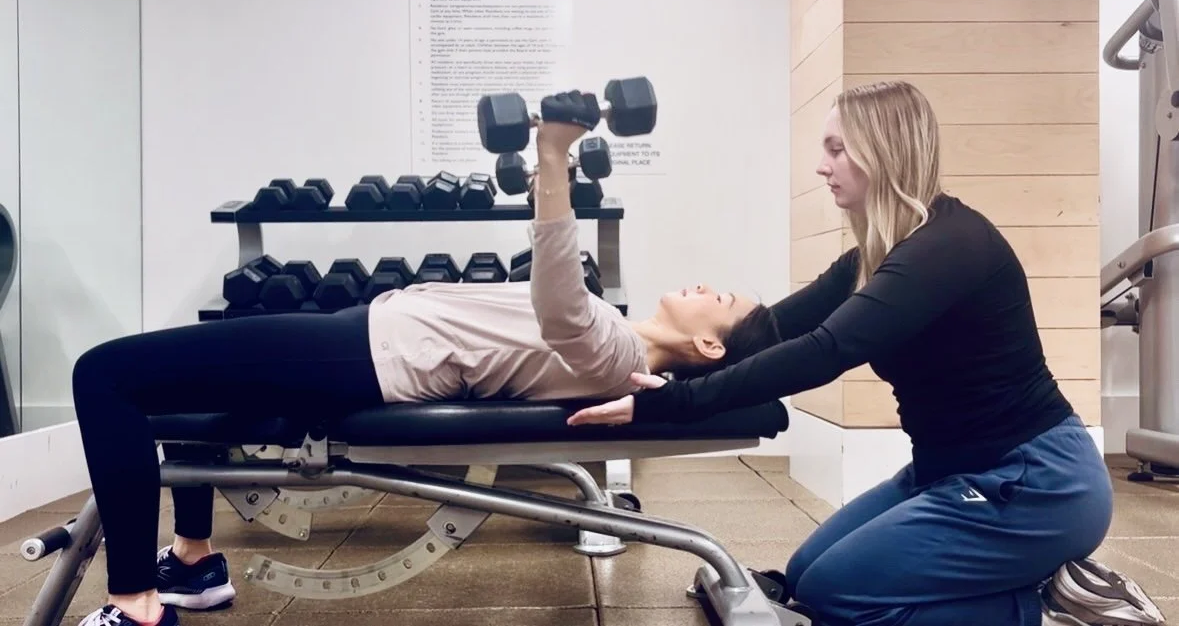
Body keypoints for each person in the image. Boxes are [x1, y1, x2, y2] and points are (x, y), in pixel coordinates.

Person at [70, 91, 784, 626]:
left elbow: (559, 291)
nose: (699, 283)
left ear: (709, 344)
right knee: (180, 399)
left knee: (102, 373)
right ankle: (192, 565)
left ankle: (134, 600)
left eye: (715, 296)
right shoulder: (616, 336)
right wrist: (546, 168)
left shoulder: (614, 352)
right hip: (362, 340)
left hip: (363, 357)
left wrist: (555, 151)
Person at [567, 81, 1168, 626]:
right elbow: (776, 327)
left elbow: (825, 351)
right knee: (803, 575)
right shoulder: (872, 256)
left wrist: (673, 403)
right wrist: (661, 362)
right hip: (951, 472)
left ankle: (1053, 612)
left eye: (837, 149)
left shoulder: (947, 246)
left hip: (1033, 483)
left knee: (838, 595)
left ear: (883, 151)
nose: (821, 166)